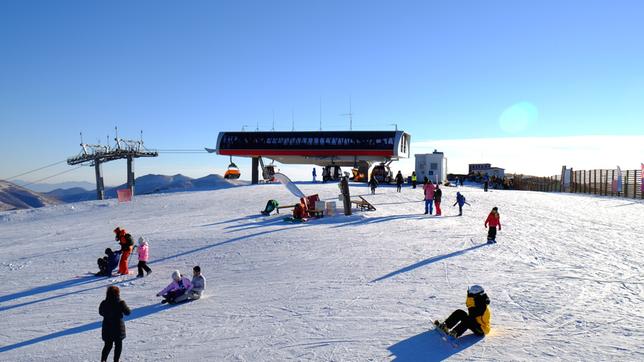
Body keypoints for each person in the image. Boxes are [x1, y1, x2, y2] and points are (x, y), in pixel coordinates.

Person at [99, 286, 131, 362]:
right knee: (118, 345)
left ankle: (103, 360)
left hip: (107, 327)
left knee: (107, 345)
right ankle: (116, 360)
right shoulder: (120, 303)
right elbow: (128, 312)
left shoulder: (104, 303)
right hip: (118, 328)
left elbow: (100, 312)